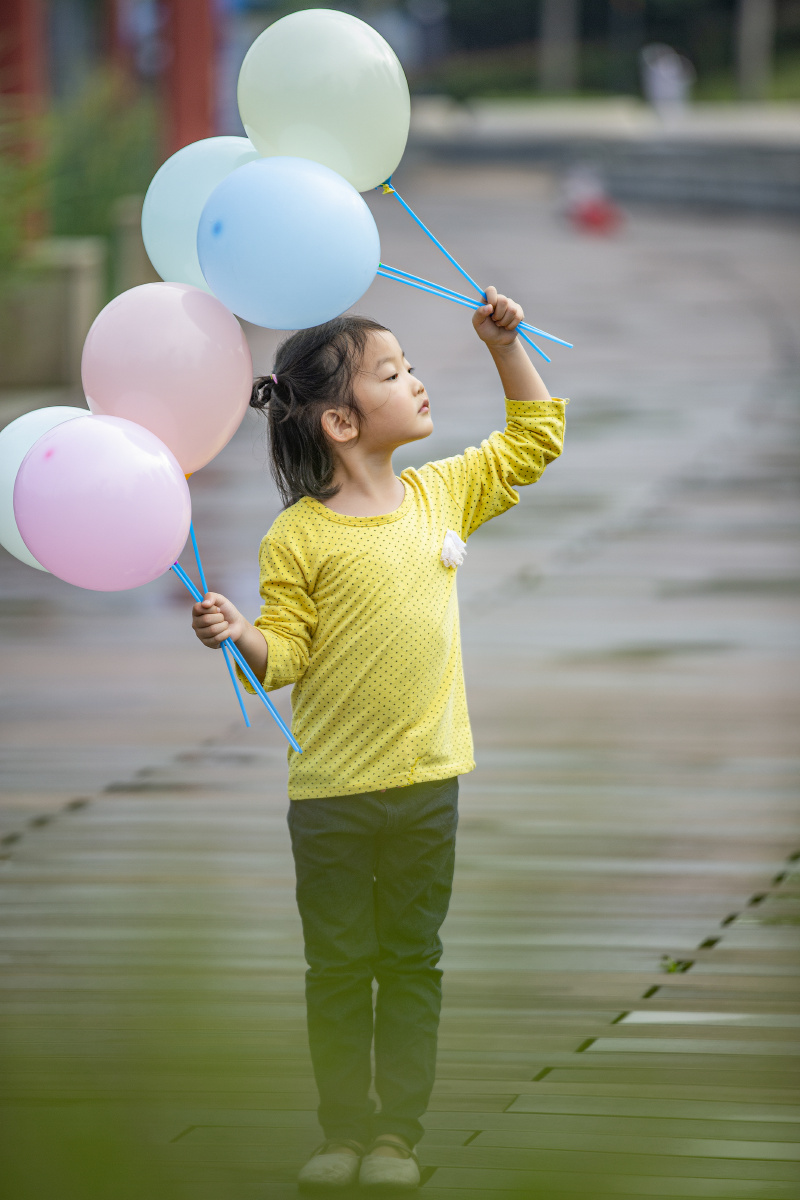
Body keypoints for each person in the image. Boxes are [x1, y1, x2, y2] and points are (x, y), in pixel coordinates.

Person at [191, 287, 566, 1190]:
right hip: (329, 795)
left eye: (410, 367)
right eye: (393, 374)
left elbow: (535, 438)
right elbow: (285, 656)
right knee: (337, 965)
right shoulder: (299, 537)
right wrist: (239, 633)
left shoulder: (442, 494)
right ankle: (340, 1131)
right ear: (340, 423)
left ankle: (397, 1134)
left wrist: (504, 347)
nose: (417, 381)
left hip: (429, 780)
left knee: (410, 961)